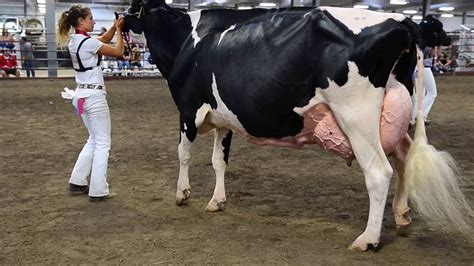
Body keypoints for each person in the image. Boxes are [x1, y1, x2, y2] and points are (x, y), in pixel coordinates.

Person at [57, 5, 124, 201]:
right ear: (81, 22)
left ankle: (77, 181)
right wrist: (119, 30)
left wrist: (113, 26)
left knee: (93, 139)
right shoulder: (87, 43)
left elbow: (102, 40)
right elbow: (118, 51)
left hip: (80, 95)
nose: (94, 22)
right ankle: (98, 190)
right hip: (94, 97)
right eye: (90, 18)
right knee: (103, 142)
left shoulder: (75, 41)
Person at [411, 46, 437, 125]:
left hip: (417, 67)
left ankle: (414, 117)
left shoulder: (418, 41)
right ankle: (421, 115)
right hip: (424, 67)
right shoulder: (428, 43)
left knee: (420, 95)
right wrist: (434, 47)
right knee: (432, 93)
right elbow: (431, 53)